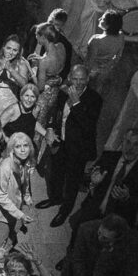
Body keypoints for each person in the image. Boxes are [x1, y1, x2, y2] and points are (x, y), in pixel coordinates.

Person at [38, 65, 102, 228]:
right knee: (56, 173)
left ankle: (65, 210)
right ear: (70, 78)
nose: (78, 82)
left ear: (88, 79)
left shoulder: (95, 99)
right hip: (61, 142)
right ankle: (55, 199)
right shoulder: (63, 91)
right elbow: (54, 113)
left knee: (72, 182)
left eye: (82, 79)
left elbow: (88, 126)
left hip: (78, 148)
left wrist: (76, 103)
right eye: (75, 78)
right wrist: (51, 129)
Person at [0, 132, 35, 268]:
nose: (22, 149)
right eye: (18, 146)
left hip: (12, 208)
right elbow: (1, 196)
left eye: (25, 145)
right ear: (12, 149)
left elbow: (24, 182)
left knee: (6, 239)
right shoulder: (5, 167)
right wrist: (20, 214)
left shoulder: (25, 162)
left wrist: (27, 197)